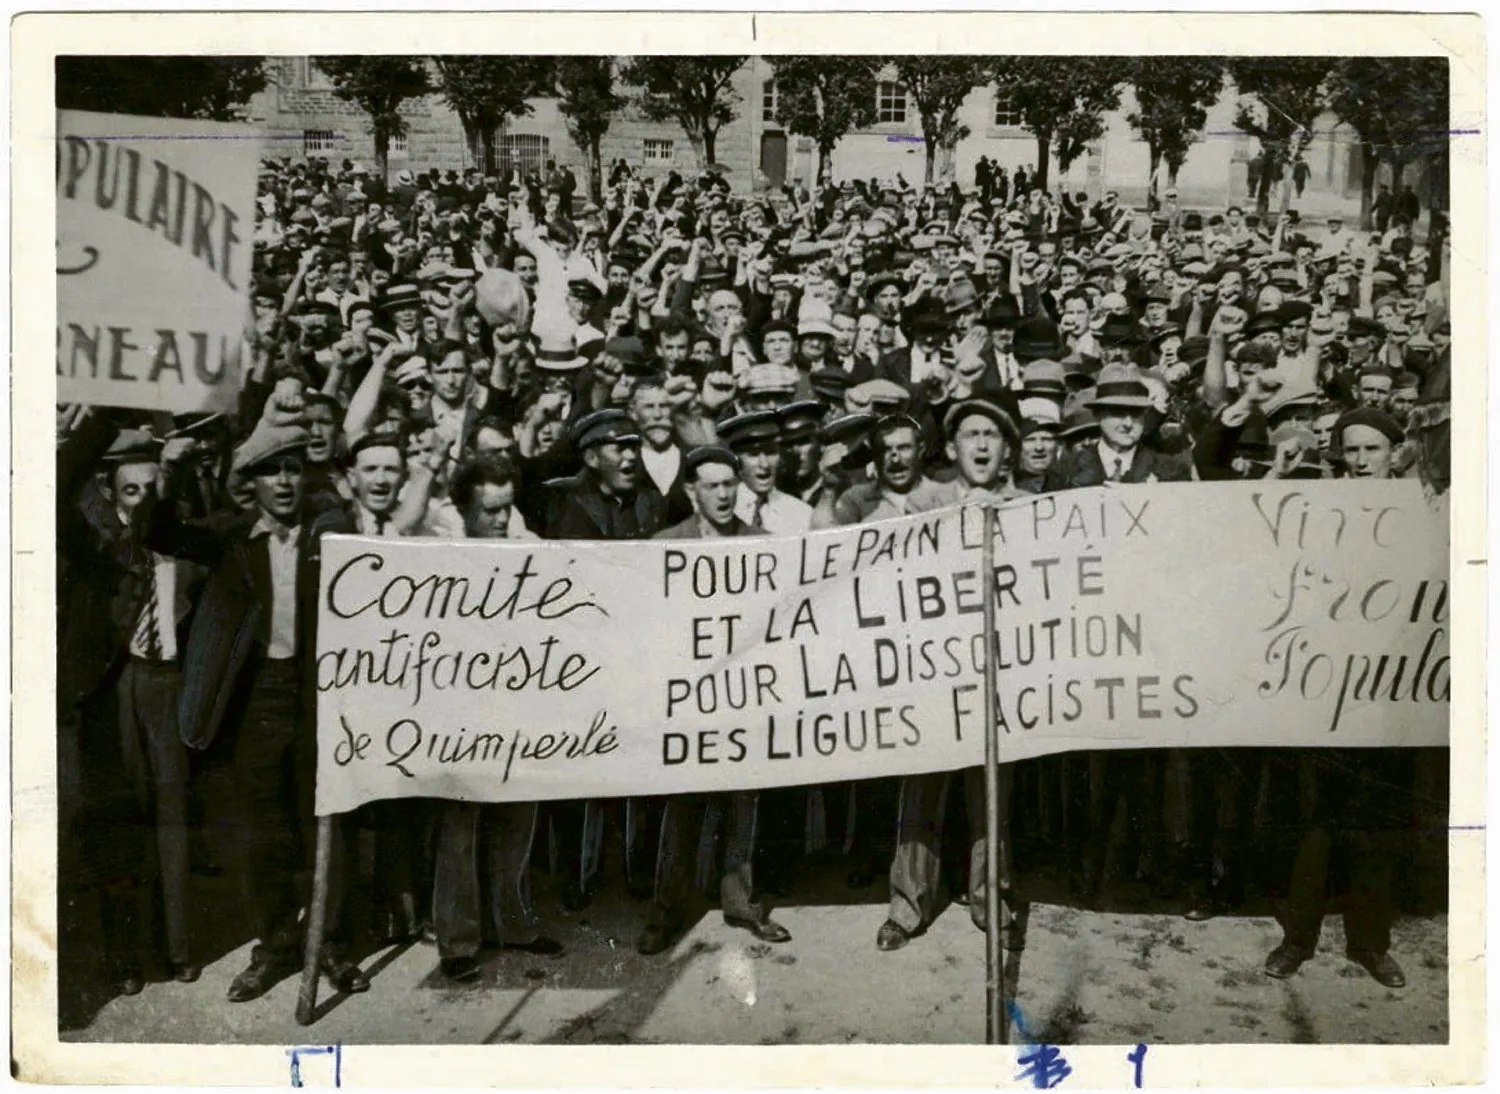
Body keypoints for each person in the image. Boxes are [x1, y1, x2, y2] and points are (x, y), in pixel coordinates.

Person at [146, 417, 368, 1002]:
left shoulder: (330, 534)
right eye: (271, 471)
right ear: (252, 482)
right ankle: (274, 947)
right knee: (263, 834)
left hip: (319, 693)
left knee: (325, 824)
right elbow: (158, 532)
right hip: (257, 700)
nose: (285, 481)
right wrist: (168, 472)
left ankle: (332, 946)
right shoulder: (230, 537)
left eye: (294, 468)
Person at [877, 398, 1027, 952]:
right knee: (921, 788)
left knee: (991, 791)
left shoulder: (1033, 507)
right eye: (971, 435)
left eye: (991, 435)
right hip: (934, 673)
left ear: (1006, 448)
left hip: (1000, 670)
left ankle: (991, 899)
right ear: (953, 447)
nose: (981, 445)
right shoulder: (921, 504)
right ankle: (908, 904)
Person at [637, 445, 792, 956]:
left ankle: (742, 904)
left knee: (743, 807)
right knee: (681, 814)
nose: (724, 494)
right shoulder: (666, 545)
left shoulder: (762, 545)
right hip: (688, 700)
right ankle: (665, 914)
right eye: (712, 485)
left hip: (742, 697)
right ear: (691, 492)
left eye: (731, 484)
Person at [430, 454, 564, 982]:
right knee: (461, 826)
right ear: (465, 509)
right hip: (460, 709)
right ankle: (458, 940)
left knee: (517, 819)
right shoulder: (441, 555)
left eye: (508, 509)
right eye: (490, 511)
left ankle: (513, 922)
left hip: (519, 705)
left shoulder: (529, 551)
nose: (501, 521)